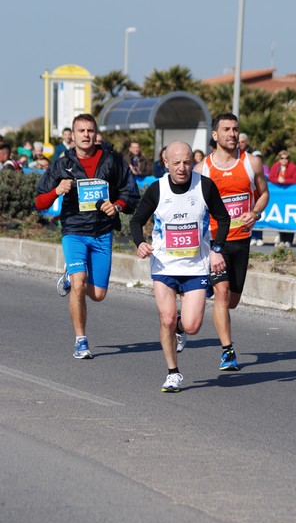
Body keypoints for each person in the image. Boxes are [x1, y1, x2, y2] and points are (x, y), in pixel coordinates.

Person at [35, 113, 140, 359]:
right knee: (80, 283)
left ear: (95, 133)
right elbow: (39, 201)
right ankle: (81, 341)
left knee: (98, 295)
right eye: (81, 131)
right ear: (73, 135)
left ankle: (71, 277)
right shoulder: (62, 164)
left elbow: (131, 194)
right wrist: (56, 191)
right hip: (74, 230)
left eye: (90, 131)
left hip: (102, 232)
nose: (86, 135)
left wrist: (117, 206)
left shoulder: (112, 161)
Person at [130, 141, 230, 392]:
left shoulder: (204, 186)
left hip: (196, 267)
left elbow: (223, 217)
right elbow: (137, 221)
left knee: (193, 325)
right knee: (166, 319)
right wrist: (140, 243)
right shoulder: (157, 189)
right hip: (164, 265)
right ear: (166, 163)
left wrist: (216, 249)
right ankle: (173, 373)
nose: (182, 168)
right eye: (176, 163)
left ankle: (181, 328)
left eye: (187, 162)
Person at [194, 113, 269, 371]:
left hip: (241, 240)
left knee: (232, 301)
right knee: (223, 295)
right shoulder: (202, 170)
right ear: (214, 135)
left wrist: (255, 212)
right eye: (226, 129)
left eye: (235, 129)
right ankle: (228, 351)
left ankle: (203, 291)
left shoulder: (252, 163)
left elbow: (264, 193)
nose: (232, 134)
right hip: (215, 242)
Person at [268, 150, 296, 247]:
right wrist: (278, 180)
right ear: (279, 159)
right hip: (280, 198)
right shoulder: (275, 166)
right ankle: (281, 239)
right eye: (282, 158)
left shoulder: (293, 167)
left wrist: (285, 181)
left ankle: (289, 240)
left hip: (290, 197)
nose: (284, 160)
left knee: (290, 218)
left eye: (286, 158)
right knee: (280, 218)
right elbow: (271, 177)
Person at [250, 150, 270, 246]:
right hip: (251, 195)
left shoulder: (264, 167)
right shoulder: (248, 166)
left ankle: (259, 237)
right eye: (256, 156)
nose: (258, 159)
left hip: (259, 195)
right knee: (250, 216)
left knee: (258, 215)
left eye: (259, 157)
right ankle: (252, 236)